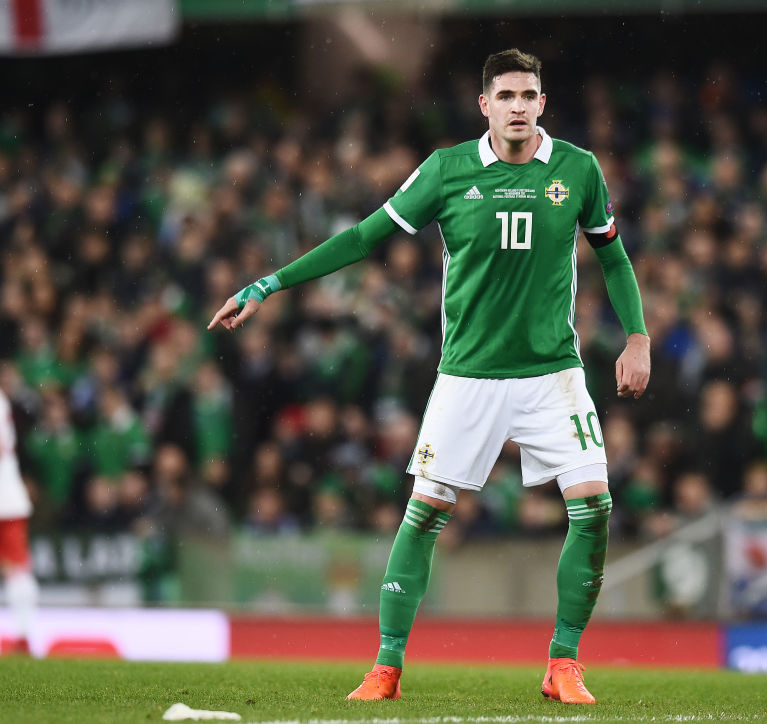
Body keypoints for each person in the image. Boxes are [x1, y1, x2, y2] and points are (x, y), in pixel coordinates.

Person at [209, 49, 650, 704]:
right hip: (466, 375)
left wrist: (637, 336)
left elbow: (612, 258)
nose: (519, 107)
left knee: (594, 507)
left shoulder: (578, 170)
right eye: (506, 96)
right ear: (485, 106)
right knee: (425, 514)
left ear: (543, 104)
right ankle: (386, 666)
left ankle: (563, 663)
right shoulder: (447, 171)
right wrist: (271, 283)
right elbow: (362, 239)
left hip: (552, 372)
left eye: (529, 95)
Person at [0, 385, 39, 655]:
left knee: (15, 568)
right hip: (8, 494)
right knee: (16, 568)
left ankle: (24, 637)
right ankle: (24, 635)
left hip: (5, 493)